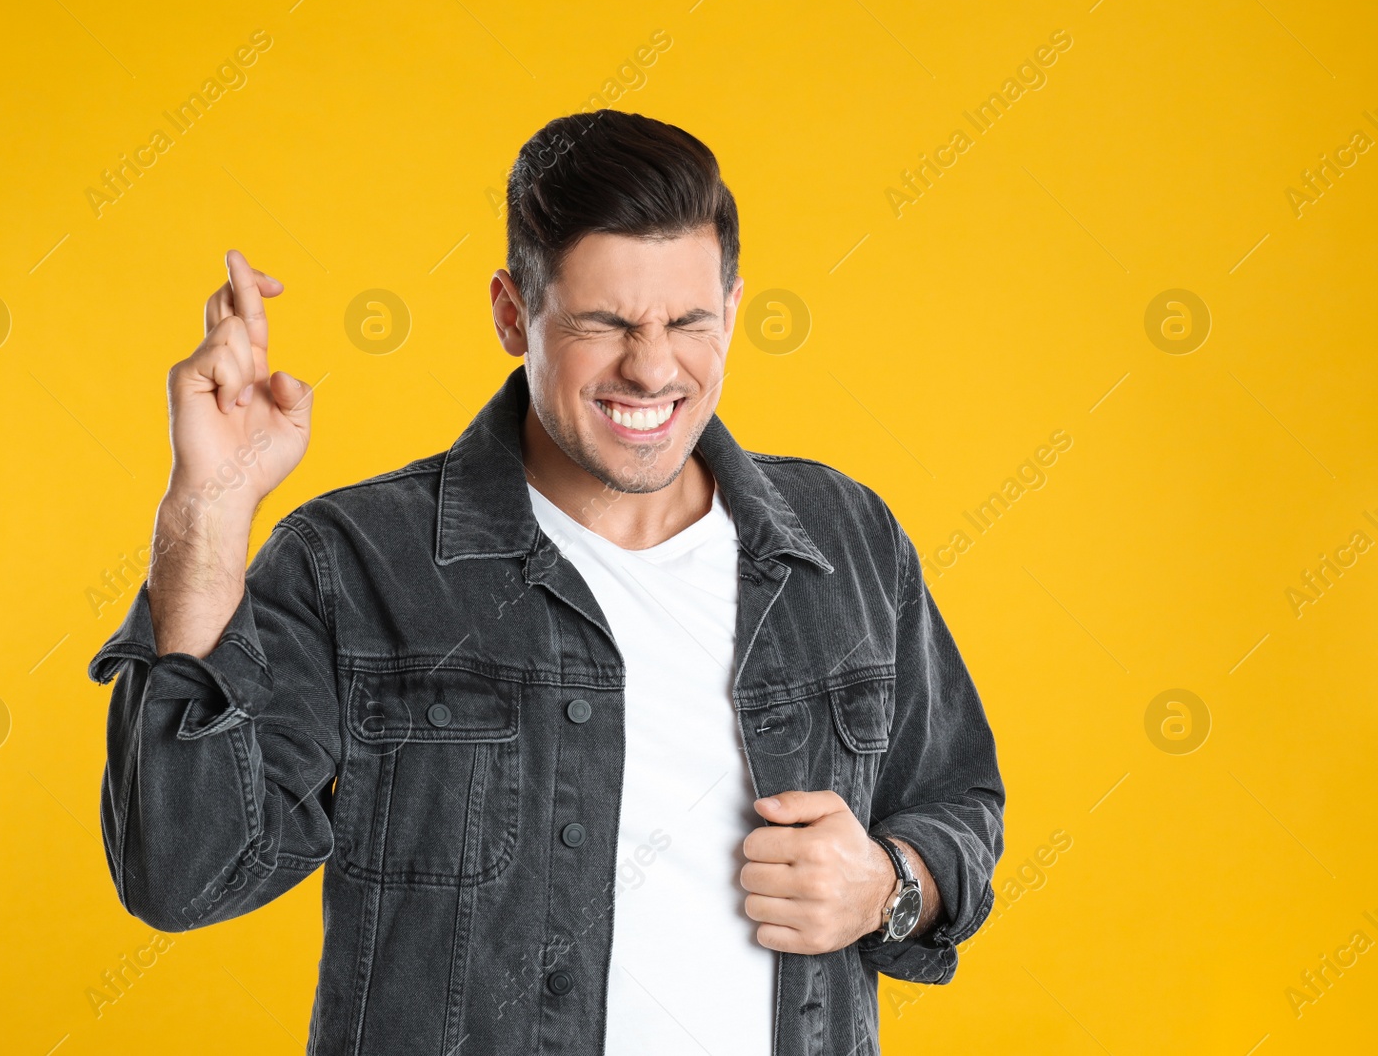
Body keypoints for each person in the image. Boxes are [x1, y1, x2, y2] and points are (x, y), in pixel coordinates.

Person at [88, 108, 1004, 1056]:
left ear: (732, 309)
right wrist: (207, 510)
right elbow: (181, 872)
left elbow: (959, 803)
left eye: (688, 321)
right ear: (511, 312)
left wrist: (889, 883)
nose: (652, 368)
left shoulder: (846, 540)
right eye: (604, 323)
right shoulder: (358, 560)